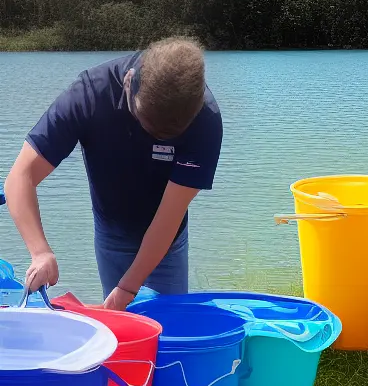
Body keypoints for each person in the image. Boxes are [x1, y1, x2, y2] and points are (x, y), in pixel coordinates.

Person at [3, 37, 223, 311]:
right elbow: (20, 177)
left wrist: (129, 287)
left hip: (167, 241)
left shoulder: (206, 120)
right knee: (120, 325)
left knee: (167, 327)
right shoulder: (89, 95)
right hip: (111, 233)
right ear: (129, 82)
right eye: (144, 123)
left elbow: (169, 216)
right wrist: (40, 252)